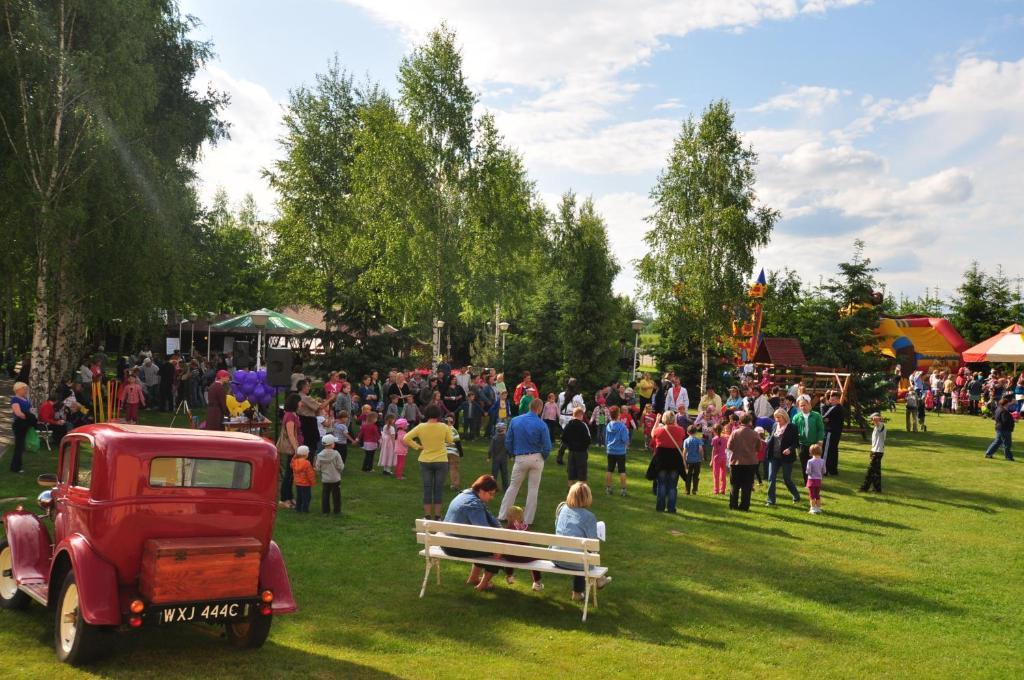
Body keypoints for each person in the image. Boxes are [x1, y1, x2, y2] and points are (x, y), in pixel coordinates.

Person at [443, 475, 502, 592]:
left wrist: (500, 529)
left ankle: (473, 578)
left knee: (487, 544)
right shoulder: (473, 505)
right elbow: (483, 532)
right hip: (455, 546)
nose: (492, 497)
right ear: (481, 490)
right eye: (490, 494)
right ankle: (482, 585)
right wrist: (497, 545)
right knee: (499, 549)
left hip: (446, 541)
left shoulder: (466, 494)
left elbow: (490, 518)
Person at [497, 398, 552, 525]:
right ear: (539, 409)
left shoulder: (515, 421)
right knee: (533, 489)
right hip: (537, 457)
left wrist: (513, 453)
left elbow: (508, 441)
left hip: (520, 457)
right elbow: (547, 446)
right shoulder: (541, 424)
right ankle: (528, 519)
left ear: (529, 406)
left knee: (513, 486)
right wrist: (542, 456)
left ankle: (503, 514)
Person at [554, 482, 611, 602]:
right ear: (587, 497)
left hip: (556, 557)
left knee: (579, 552)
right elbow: (593, 545)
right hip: (577, 561)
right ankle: (599, 580)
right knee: (585, 555)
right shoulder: (589, 516)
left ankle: (579, 592)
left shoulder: (562, 509)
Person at [404, 404, 455, 519]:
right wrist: (450, 427)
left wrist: (417, 446)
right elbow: (451, 440)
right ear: (439, 414)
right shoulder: (443, 426)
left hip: (425, 460)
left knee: (427, 488)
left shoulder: (421, 427)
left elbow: (406, 438)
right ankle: (437, 516)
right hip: (441, 460)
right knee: (438, 488)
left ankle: (427, 516)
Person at [501, 505, 544, 591]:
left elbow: (504, 542)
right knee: (536, 560)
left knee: (509, 552)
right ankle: (537, 583)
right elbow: (528, 541)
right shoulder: (526, 527)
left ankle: (509, 576)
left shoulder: (509, 528)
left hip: (510, 558)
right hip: (524, 557)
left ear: (509, 517)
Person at [650, 411, 686, 512]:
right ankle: (671, 508)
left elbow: (652, 434)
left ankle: (660, 507)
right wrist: (675, 422)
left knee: (661, 484)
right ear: (674, 419)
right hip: (675, 461)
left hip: (662, 461)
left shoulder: (659, 431)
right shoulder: (680, 430)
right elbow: (682, 433)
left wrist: (657, 420)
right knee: (672, 486)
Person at [765, 408, 801, 506]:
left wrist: (790, 449)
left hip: (787, 458)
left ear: (784, 417)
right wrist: (766, 442)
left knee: (787, 479)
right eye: (775, 417)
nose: (777, 419)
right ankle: (770, 501)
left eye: (779, 417)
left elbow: (796, 443)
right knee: (771, 478)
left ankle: (796, 496)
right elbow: (770, 437)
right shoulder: (774, 425)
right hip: (774, 456)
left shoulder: (792, 427)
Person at [726, 414, 760, 511]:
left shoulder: (735, 432)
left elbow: (729, 446)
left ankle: (733, 505)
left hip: (736, 461)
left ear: (740, 421)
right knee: (747, 485)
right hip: (750, 462)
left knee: (735, 485)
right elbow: (759, 447)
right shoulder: (754, 433)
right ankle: (744, 506)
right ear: (750, 422)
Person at [792, 395, 824, 483]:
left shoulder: (816, 416)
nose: (803, 407)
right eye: (801, 405)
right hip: (802, 444)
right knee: (804, 464)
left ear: (809, 405)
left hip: (814, 444)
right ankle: (807, 482)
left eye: (805, 405)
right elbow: (794, 432)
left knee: (815, 464)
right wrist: (796, 444)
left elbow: (821, 429)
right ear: (799, 407)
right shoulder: (796, 417)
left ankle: (816, 482)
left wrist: (820, 441)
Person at [560, 407, 592, 486]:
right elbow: (588, 439)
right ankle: (582, 493)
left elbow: (563, 437)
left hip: (572, 451)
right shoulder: (583, 425)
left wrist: (569, 445)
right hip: (581, 452)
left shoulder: (569, 425)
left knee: (571, 474)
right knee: (582, 474)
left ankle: (570, 492)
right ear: (581, 415)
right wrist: (585, 447)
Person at [9, 382, 36, 473]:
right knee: (19, 446)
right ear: (18, 389)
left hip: (25, 424)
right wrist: (29, 416)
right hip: (19, 425)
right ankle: (15, 467)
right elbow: (18, 413)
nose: (25, 390)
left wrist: (31, 414)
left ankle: (17, 465)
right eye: (24, 389)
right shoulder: (15, 399)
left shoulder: (25, 399)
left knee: (21, 446)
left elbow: (29, 410)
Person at [604, 405, 630, 497]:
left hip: (610, 450)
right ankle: (623, 490)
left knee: (609, 469)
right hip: (620, 451)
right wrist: (627, 442)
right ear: (618, 414)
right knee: (622, 470)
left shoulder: (608, 425)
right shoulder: (622, 426)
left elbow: (606, 439)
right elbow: (625, 439)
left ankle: (608, 488)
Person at [316, 434, 344, 515]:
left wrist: (321, 471)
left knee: (325, 494)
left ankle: (325, 511)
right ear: (332, 444)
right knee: (336, 495)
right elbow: (340, 466)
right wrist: (340, 470)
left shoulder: (319, 455)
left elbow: (317, 467)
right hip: (335, 478)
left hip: (325, 479)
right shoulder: (336, 453)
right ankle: (337, 510)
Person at [859, 412, 886, 492]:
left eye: (873, 419)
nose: (872, 420)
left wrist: (876, 419)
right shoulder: (877, 426)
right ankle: (877, 488)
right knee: (876, 471)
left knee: (870, 471)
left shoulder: (881, 425)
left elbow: (878, 420)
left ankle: (864, 488)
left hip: (877, 452)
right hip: (875, 451)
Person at [820, 391, 845, 475]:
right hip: (836, 433)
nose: (831, 401)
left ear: (838, 400)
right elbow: (826, 418)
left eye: (833, 400)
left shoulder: (835, 408)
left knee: (826, 451)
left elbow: (823, 417)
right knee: (833, 451)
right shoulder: (840, 408)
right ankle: (833, 470)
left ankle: (824, 470)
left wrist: (826, 419)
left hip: (830, 432)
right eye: (831, 399)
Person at [984, 396, 1015, 461]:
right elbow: (1005, 421)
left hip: (999, 428)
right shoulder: (1004, 411)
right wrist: (1013, 420)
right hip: (1004, 429)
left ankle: (988, 453)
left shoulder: (998, 409)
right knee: (1007, 443)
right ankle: (1008, 456)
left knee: (997, 442)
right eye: (1008, 403)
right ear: (1005, 404)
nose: (1008, 404)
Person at [291, 445, 316, 513]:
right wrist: (312, 482)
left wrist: (295, 456)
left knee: (299, 496)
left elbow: (291, 464)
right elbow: (310, 474)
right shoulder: (307, 463)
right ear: (306, 454)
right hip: (306, 483)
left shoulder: (295, 462)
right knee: (307, 497)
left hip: (297, 482)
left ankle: (298, 508)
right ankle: (305, 509)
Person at [487, 421, 510, 490]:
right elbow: (508, 448)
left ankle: (492, 487)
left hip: (496, 459)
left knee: (494, 474)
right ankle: (505, 487)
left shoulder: (494, 438)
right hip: (504, 459)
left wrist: (489, 457)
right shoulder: (506, 438)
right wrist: (511, 456)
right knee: (504, 474)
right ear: (504, 429)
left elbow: (491, 448)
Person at [682, 425, 704, 496]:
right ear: (696, 432)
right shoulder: (698, 440)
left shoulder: (686, 441)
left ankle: (687, 491)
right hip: (697, 461)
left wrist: (684, 460)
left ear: (687, 432)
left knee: (688, 476)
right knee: (696, 476)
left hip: (689, 461)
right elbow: (700, 449)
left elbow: (684, 451)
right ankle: (694, 490)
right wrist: (701, 457)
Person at [805, 443, 826, 514]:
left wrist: (807, 472)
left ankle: (813, 508)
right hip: (819, 480)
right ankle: (818, 508)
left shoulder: (810, 461)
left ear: (811, 452)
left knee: (812, 495)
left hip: (811, 480)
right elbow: (824, 471)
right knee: (817, 494)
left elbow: (808, 471)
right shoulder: (822, 461)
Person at [445, 414, 464, 489]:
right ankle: (455, 485)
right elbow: (458, 443)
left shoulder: (442, 430)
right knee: (454, 469)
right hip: (453, 453)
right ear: (453, 422)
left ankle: (438, 483)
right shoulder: (454, 431)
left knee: (443, 469)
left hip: (444, 453)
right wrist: (461, 454)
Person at [710, 424, 728, 495]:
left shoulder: (714, 439)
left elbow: (714, 450)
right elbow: (725, 447)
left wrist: (711, 460)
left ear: (714, 431)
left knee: (716, 475)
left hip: (716, 458)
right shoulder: (725, 438)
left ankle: (716, 490)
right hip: (724, 457)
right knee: (723, 474)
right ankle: (723, 489)